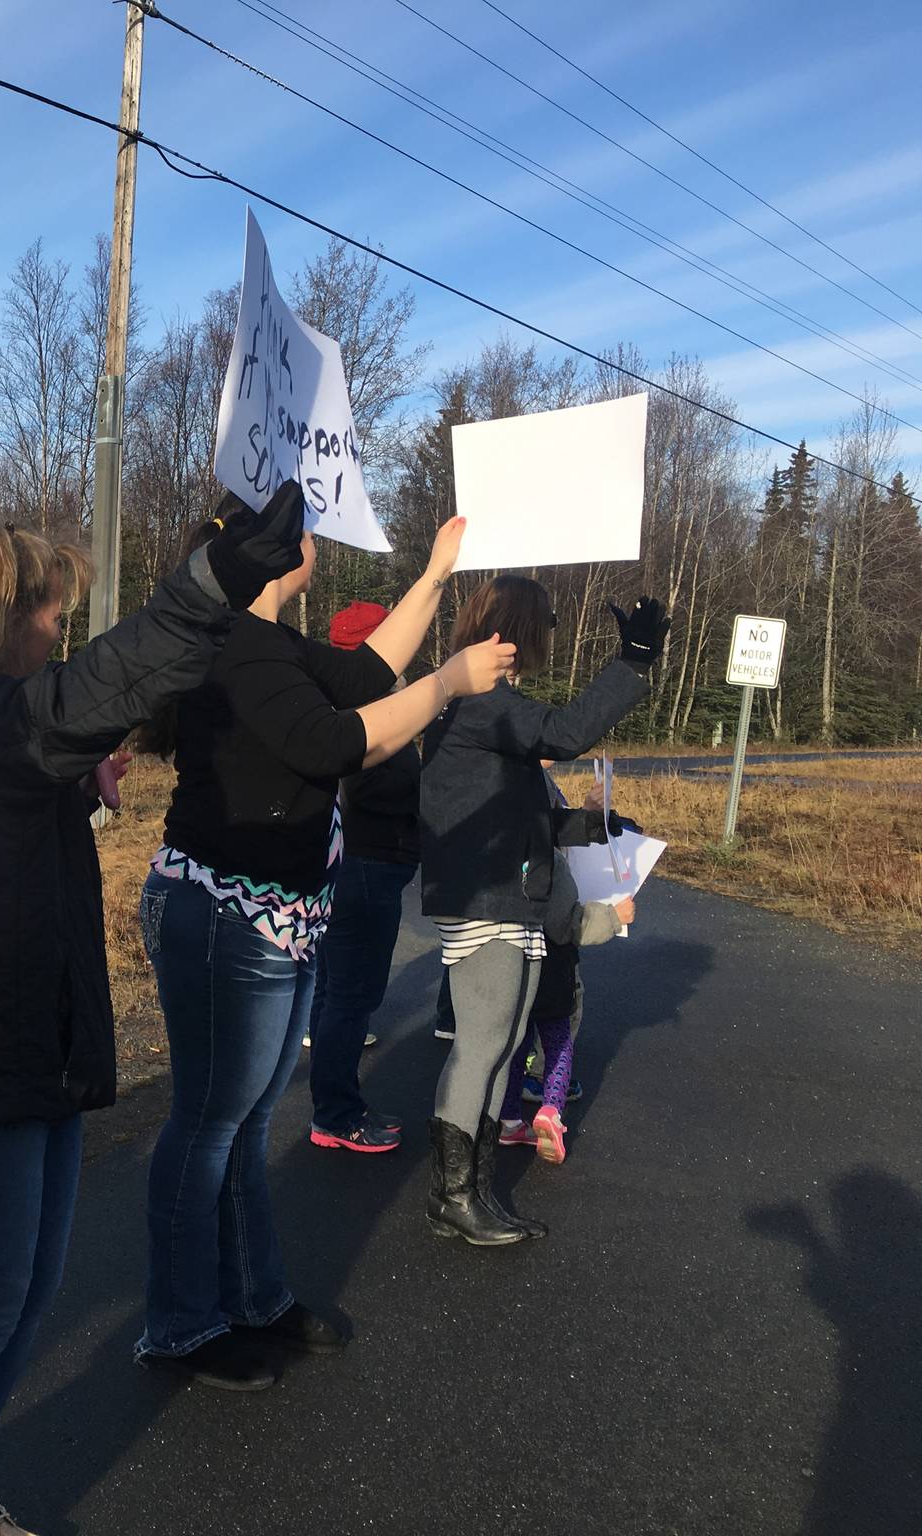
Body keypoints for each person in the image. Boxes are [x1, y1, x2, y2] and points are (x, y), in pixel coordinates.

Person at [0, 487, 309, 1536]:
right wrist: (214, 578)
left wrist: (79, 770)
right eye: (52, 615)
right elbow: (87, 692)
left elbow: (76, 719)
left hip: (30, 1047)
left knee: (19, 1289)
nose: (62, 633)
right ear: (0, 615)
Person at [133, 513, 515, 1390]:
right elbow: (341, 740)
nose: (317, 540)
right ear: (269, 556)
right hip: (225, 915)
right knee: (208, 1122)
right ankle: (181, 1323)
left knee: (244, 1120)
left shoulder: (274, 641)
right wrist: (451, 681)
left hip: (276, 914)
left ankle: (255, 1299)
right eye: (305, 530)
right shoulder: (238, 645)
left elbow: (366, 671)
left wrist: (434, 575)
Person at [419, 577, 669, 1245]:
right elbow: (563, 732)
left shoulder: (475, 713)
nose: (547, 642)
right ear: (519, 632)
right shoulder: (480, 706)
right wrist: (633, 663)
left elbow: (513, 816)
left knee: (497, 1051)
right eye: (547, 627)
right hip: (488, 902)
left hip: (505, 898)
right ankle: (452, 1197)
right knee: (481, 1052)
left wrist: (594, 830)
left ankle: (469, 1192)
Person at [304, 600, 418, 1154]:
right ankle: (335, 1114)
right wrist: (434, 788)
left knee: (335, 992)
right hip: (366, 866)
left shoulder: (343, 703)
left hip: (352, 865)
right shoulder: (368, 712)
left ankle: (338, 1102)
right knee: (353, 996)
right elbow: (371, 789)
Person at [494, 770, 636, 1162]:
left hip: (515, 967)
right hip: (554, 967)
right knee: (558, 1041)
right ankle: (551, 1111)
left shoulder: (499, 856)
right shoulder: (551, 868)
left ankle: (508, 1122)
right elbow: (570, 923)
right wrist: (615, 916)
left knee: (518, 1041)